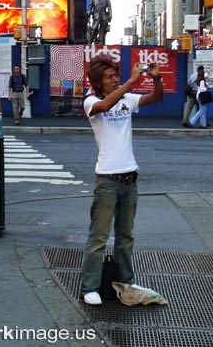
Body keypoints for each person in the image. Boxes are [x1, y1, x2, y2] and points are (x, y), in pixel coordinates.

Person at [80, 54, 164, 306]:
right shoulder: (91, 101)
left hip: (130, 177)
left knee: (125, 235)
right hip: (107, 179)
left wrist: (157, 79)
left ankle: (126, 280)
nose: (114, 79)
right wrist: (130, 81)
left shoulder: (127, 99)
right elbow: (104, 107)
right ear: (98, 81)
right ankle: (90, 287)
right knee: (99, 237)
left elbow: (156, 97)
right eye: (109, 76)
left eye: (116, 74)